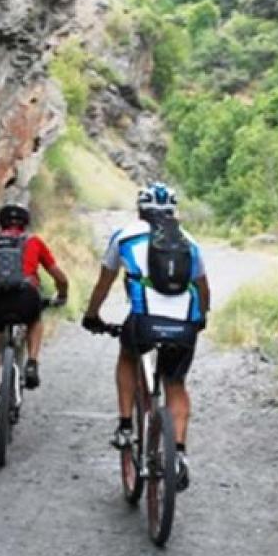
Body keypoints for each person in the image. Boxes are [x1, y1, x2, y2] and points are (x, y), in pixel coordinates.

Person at [81, 183, 210, 491]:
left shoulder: (124, 236)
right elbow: (204, 289)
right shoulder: (189, 241)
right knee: (175, 384)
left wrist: (92, 316)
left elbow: (103, 284)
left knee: (128, 355)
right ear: (172, 212)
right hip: (184, 324)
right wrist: (200, 318)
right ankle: (178, 453)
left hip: (144, 322)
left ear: (140, 209)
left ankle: (126, 426)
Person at [0, 203, 68, 433]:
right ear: (25, 224)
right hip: (26, 297)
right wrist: (62, 296)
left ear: (1, 222)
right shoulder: (34, 242)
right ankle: (32, 362)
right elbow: (59, 276)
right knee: (35, 320)